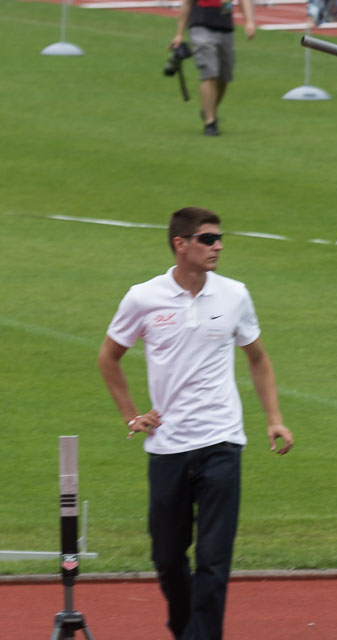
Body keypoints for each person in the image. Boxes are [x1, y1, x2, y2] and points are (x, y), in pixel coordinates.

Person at [98, 206, 294, 640]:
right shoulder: (142, 297)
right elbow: (109, 357)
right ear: (180, 244)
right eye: (208, 239)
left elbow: (258, 358)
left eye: (219, 238)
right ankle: (186, 628)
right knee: (167, 558)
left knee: (213, 558)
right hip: (167, 447)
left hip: (222, 440)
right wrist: (132, 414)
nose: (218, 246)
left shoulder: (234, 295)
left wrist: (274, 419)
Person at [171, 0, 256, 136]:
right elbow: (187, 3)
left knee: (224, 77)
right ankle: (210, 122)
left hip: (225, 26)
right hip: (200, 25)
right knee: (209, 72)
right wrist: (179, 34)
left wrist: (250, 21)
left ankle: (208, 109)